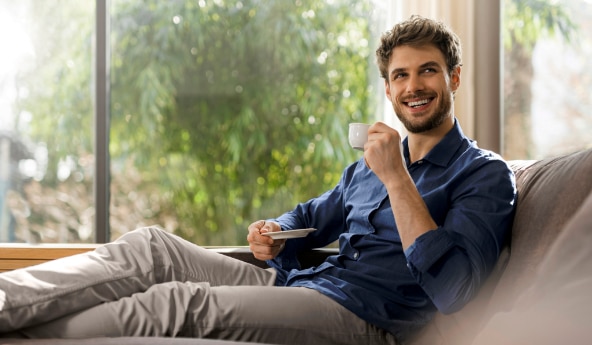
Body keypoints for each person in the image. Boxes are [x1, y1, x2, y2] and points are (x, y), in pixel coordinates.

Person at [0, 15, 516, 345]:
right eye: (400, 76)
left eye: (427, 71)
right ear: (388, 88)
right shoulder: (370, 166)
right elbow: (310, 219)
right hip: (302, 283)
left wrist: (399, 180)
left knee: (174, 303)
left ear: (453, 77)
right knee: (153, 247)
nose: (414, 86)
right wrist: (274, 230)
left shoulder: (484, 175)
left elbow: (453, 292)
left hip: (363, 317)